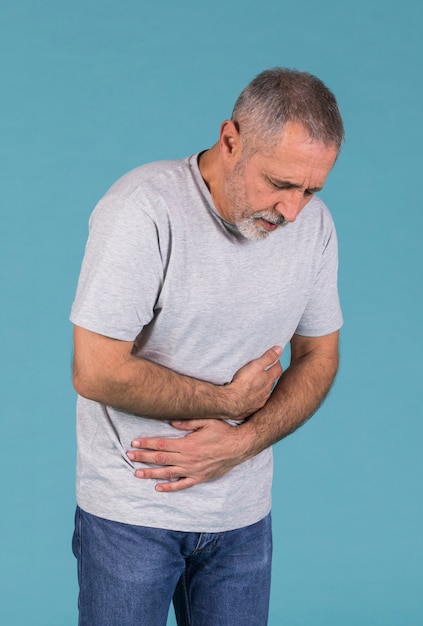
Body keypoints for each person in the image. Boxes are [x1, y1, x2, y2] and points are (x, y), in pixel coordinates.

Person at [70, 67, 344, 626]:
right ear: (230, 140)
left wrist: (240, 444)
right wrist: (227, 401)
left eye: (311, 189)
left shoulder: (313, 227)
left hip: (242, 521)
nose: (292, 210)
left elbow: (319, 355)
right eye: (280, 183)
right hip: (131, 515)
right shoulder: (144, 209)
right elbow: (95, 371)